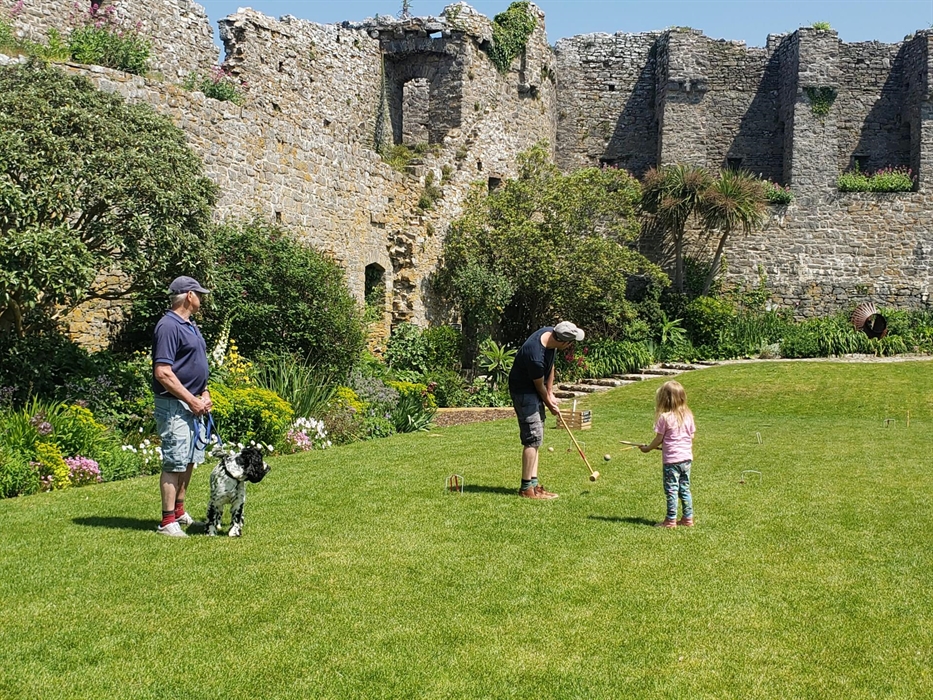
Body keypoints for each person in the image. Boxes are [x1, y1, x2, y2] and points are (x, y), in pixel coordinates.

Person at [152, 276, 213, 537]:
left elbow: (196, 364)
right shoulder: (168, 326)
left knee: (188, 460)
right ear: (189, 295)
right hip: (174, 405)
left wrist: (204, 393)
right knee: (175, 462)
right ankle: (167, 522)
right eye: (199, 294)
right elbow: (163, 372)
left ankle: (178, 511)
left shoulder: (191, 326)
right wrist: (191, 400)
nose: (202, 299)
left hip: (192, 403)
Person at [507, 321, 585, 499]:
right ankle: (526, 489)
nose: (571, 346)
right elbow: (538, 385)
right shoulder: (535, 355)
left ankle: (534, 485)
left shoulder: (551, 336)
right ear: (563, 341)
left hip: (534, 389)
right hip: (524, 392)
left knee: (537, 436)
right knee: (532, 438)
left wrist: (551, 393)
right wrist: (550, 405)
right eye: (570, 343)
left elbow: (550, 367)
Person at [639, 380, 696, 528]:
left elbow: (659, 439)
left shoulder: (665, 418)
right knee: (684, 488)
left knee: (671, 490)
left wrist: (647, 448)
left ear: (665, 399)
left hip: (672, 461)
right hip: (686, 459)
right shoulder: (688, 415)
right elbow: (690, 436)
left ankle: (670, 520)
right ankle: (688, 518)